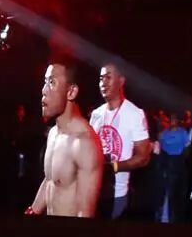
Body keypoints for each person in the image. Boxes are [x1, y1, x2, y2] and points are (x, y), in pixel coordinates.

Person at [26, 61, 105, 218]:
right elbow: (51, 180)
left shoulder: (84, 144)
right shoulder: (53, 133)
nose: (43, 90)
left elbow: (85, 213)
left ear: (71, 92)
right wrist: (32, 211)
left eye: (52, 82)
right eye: (45, 82)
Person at [89, 62, 152, 219]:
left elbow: (143, 157)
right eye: (101, 78)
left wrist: (114, 167)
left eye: (108, 77)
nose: (103, 83)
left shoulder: (135, 114)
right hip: (92, 190)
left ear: (121, 81)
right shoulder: (96, 114)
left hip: (117, 195)